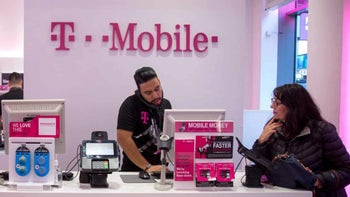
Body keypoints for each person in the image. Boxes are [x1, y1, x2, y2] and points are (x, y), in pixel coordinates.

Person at [252, 83, 350, 197]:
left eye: (277, 102)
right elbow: (262, 166)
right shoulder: (273, 129)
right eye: (273, 101)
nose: (271, 106)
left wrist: (318, 180)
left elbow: (346, 170)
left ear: (293, 106)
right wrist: (261, 142)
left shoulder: (322, 130)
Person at [117, 67, 172, 172]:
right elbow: (123, 139)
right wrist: (148, 167)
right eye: (148, 93)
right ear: (139, 91)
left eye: (157, 89)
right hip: (134, 171)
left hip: (160, 170)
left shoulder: (166, 104)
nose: (155, 95)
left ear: (159, 82)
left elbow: (169, 137)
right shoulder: (130, 105)